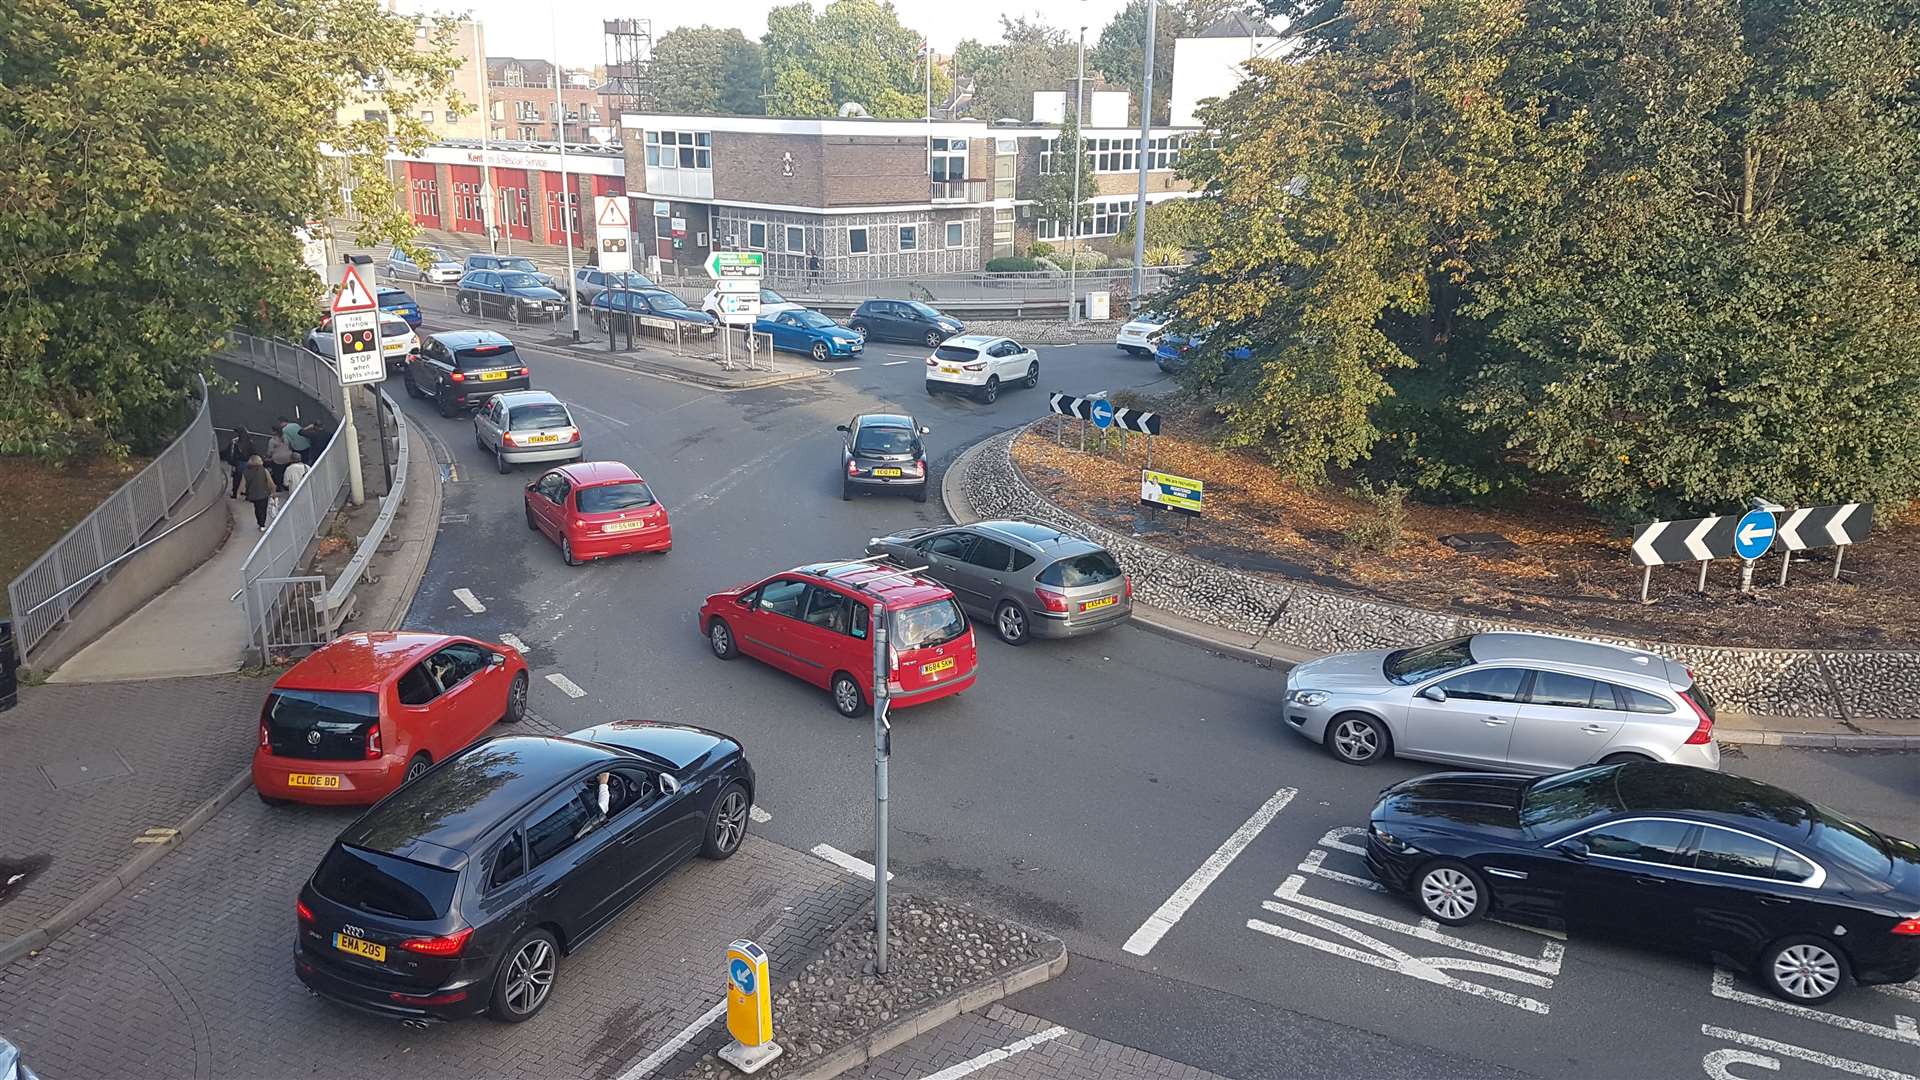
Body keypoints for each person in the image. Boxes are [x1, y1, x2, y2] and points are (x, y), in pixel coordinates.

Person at [242, 454, 273, 530]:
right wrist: (273, 491)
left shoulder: (246, 471)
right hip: (264, 493)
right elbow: (270, 482)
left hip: (253, 494)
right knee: (263, 509)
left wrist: (239, 493)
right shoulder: (264, 470)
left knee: (257, 508)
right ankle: (262, 524)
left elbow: (242, 483)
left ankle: (259, 522)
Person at [224, 428, 255, 498]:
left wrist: (231, 461)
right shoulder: (250, 441)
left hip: (238, 462)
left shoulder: (235, 442)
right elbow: (253, 452)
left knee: (236, 478)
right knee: (248, 479)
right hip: (248, 462)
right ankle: (248, 494)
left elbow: (232, 453)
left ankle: (234, 493)